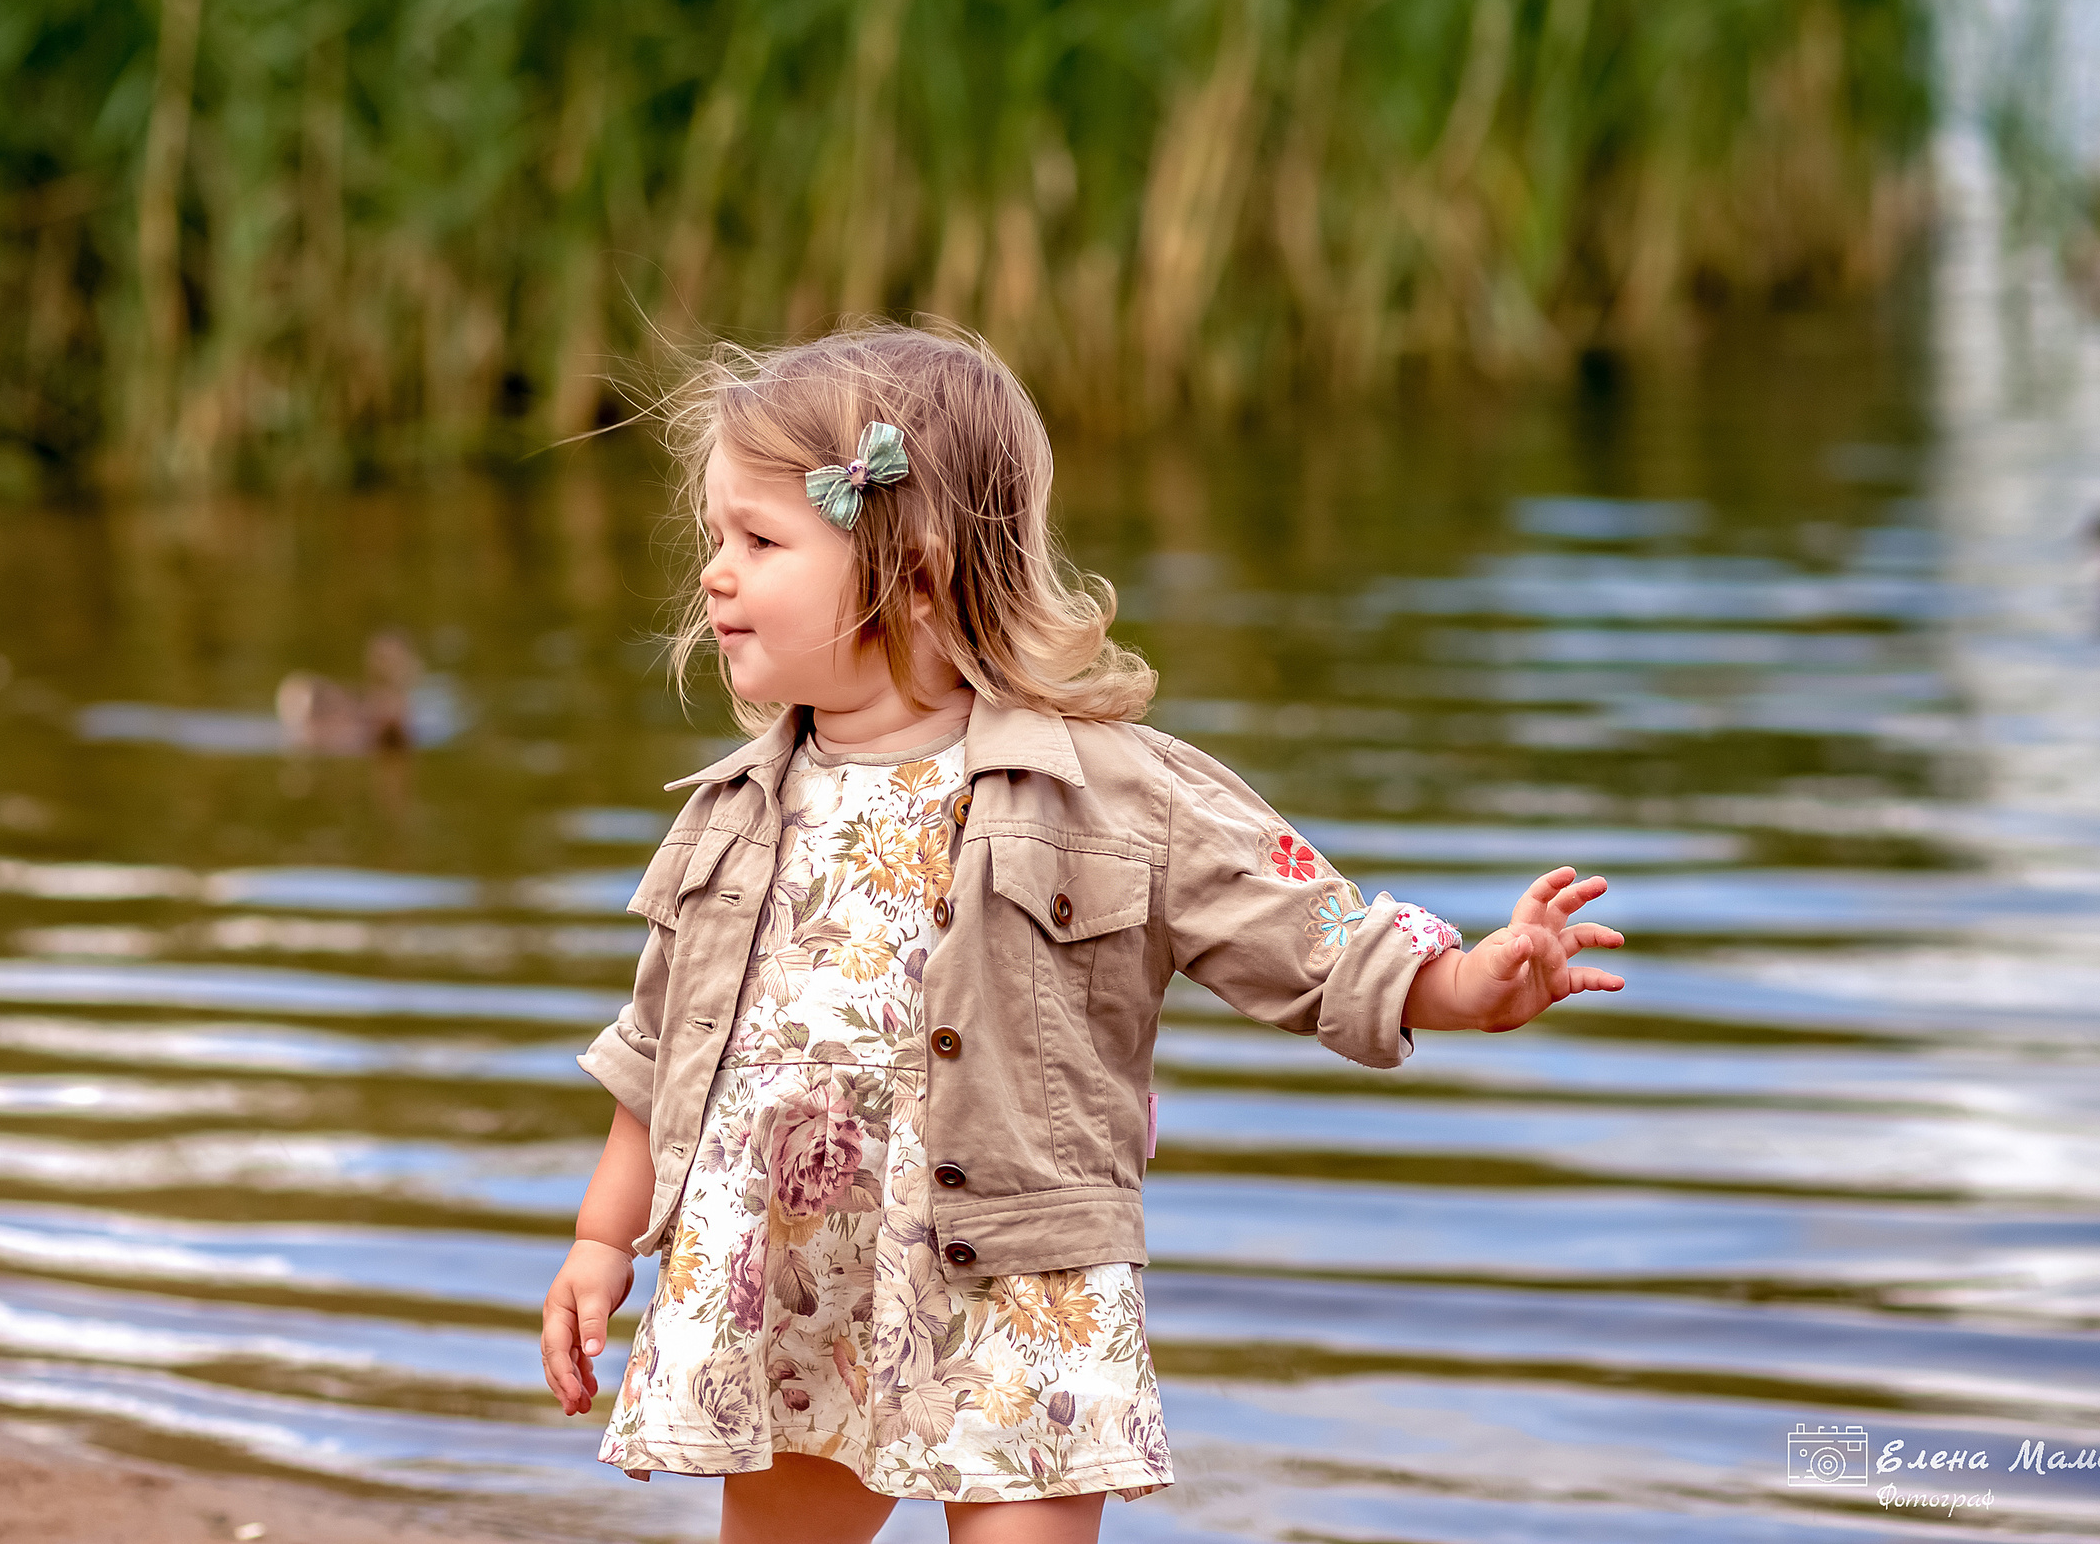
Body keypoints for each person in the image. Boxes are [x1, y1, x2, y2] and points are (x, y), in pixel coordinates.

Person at [539, 325, 1623, 1543]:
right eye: (717, 540)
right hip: (799, 1277)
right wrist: (599, 1240)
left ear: (913, 567)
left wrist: (1464, 980)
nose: (714, 576)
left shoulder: (1105, 785)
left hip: (1025, 1275)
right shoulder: (733, 814)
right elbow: (657, 1047)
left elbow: (1297, 920)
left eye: (758, 541)